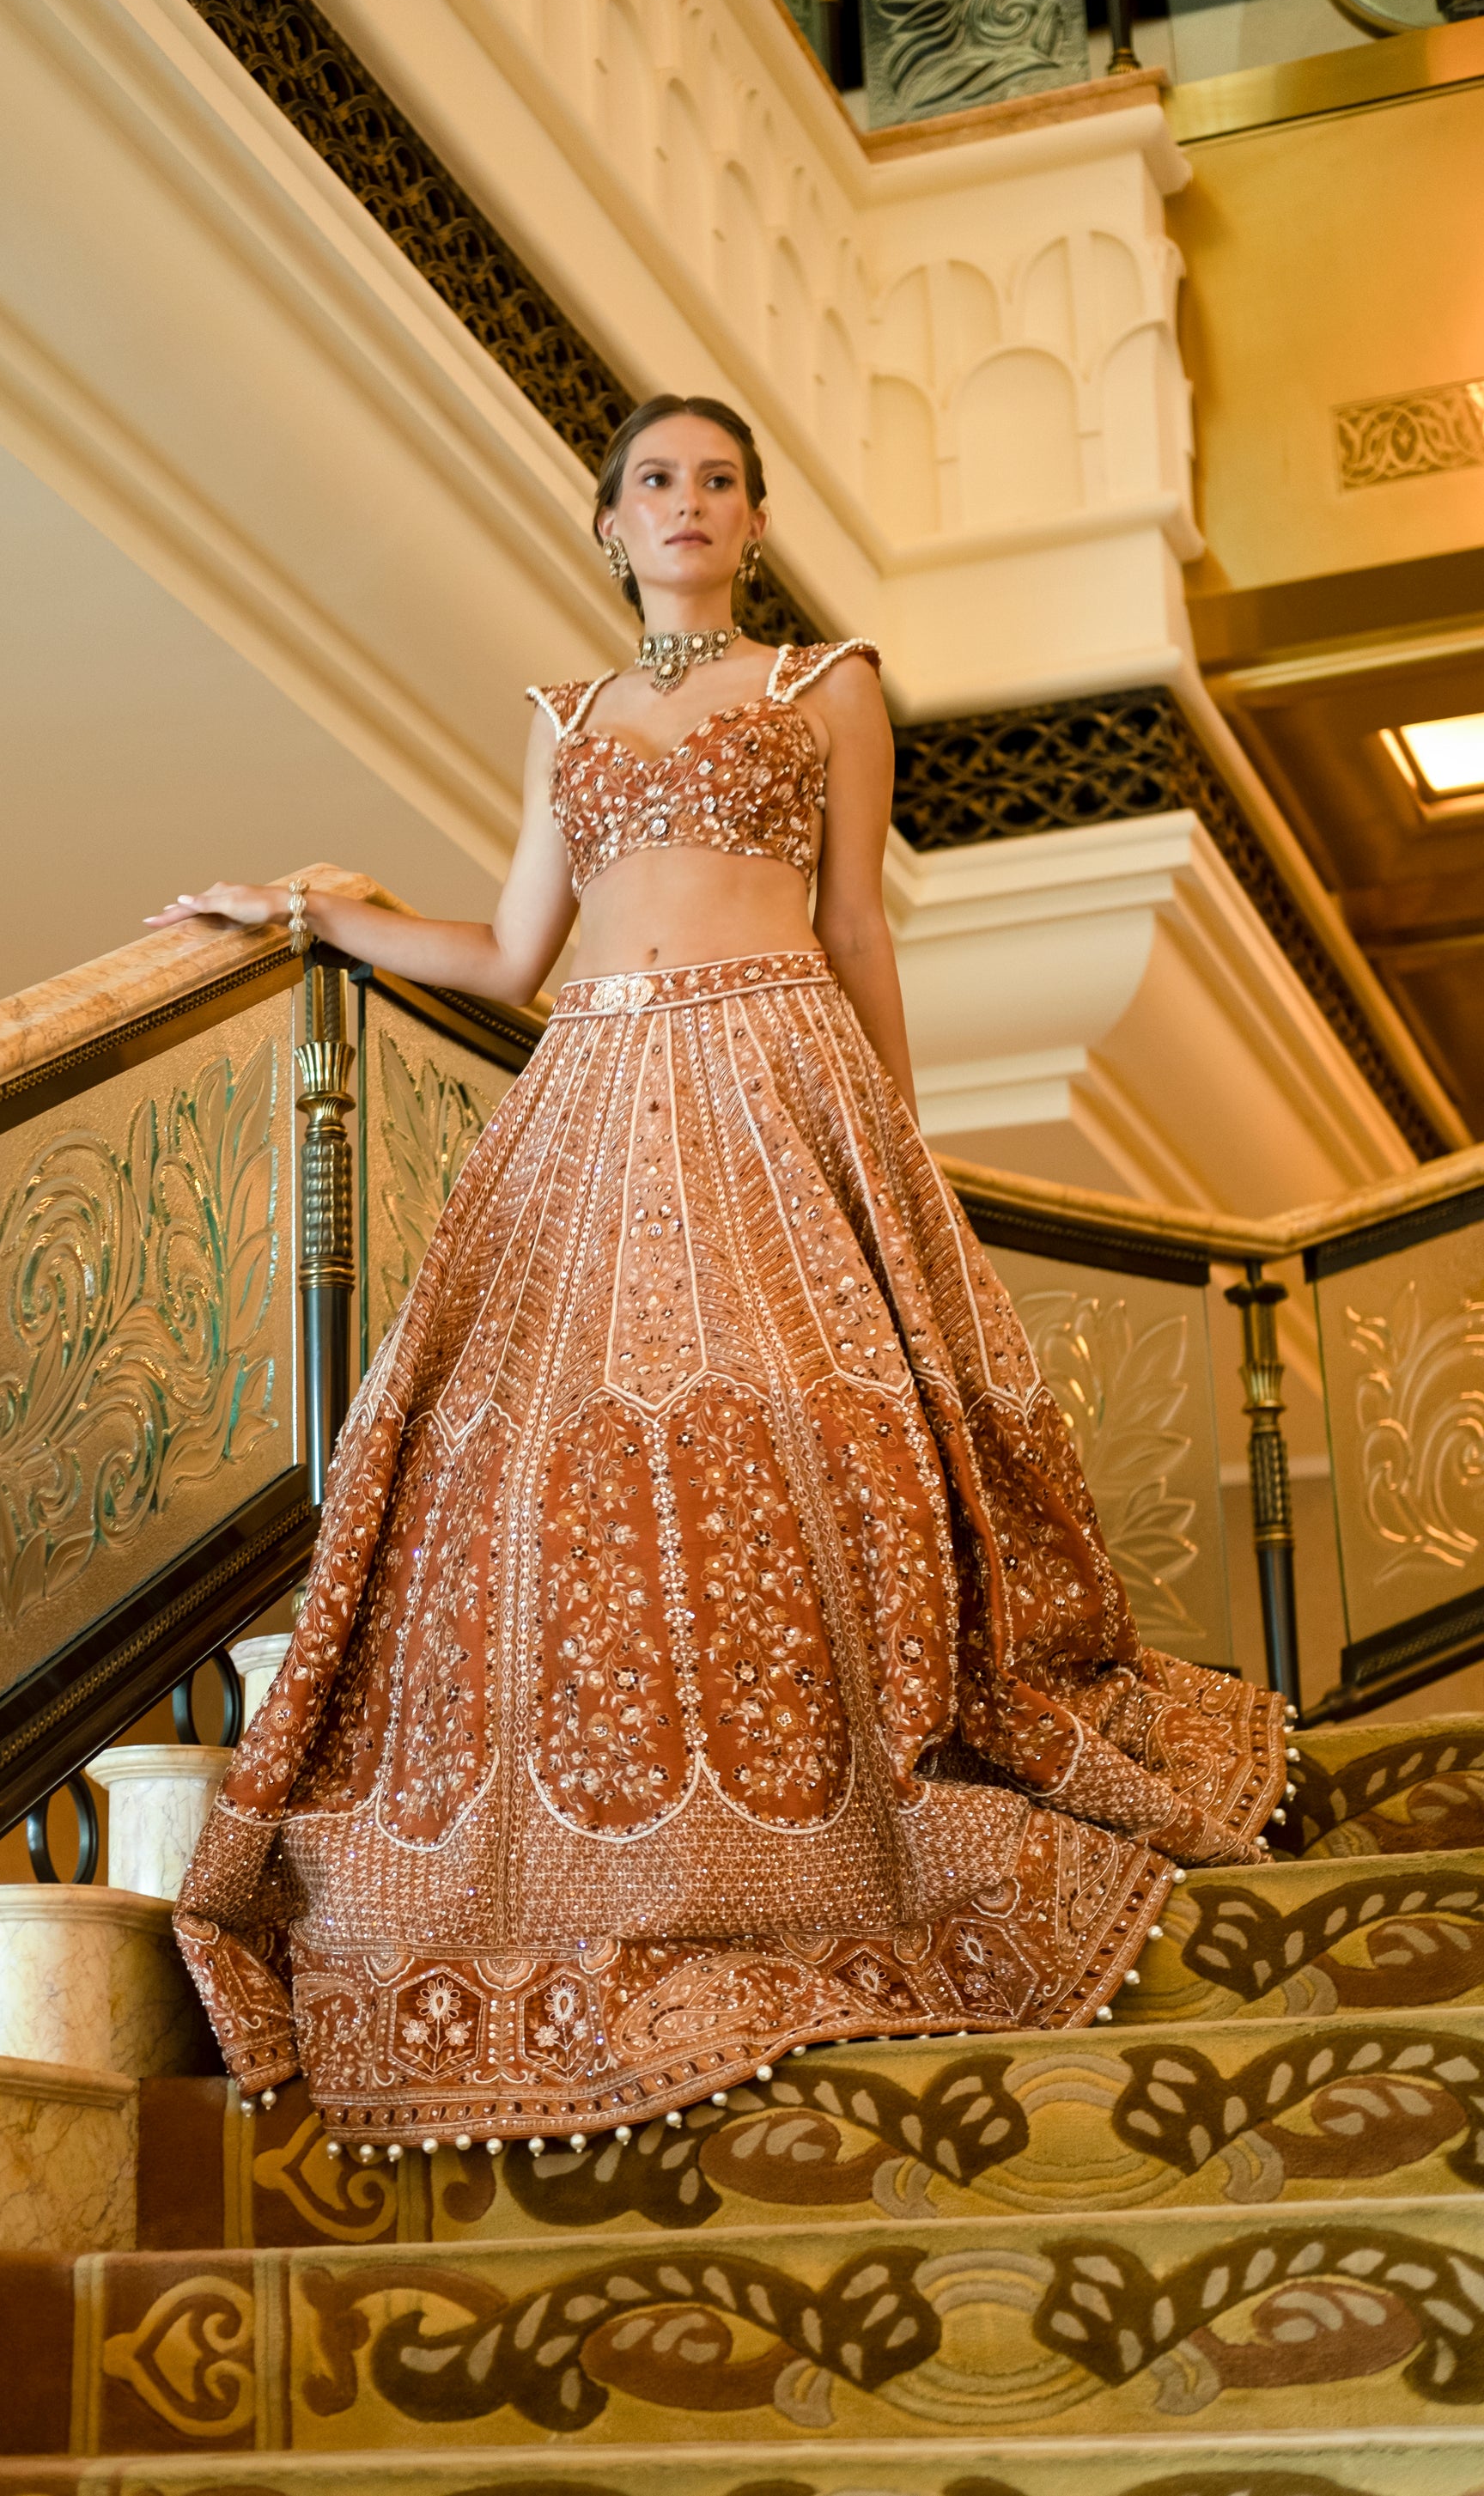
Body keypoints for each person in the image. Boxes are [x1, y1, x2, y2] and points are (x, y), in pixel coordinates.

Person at [149, 393, 1282, 2152]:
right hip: (593, 1092)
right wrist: (320, 909)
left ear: (752, 525)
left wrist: (896, 1161)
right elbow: (518, 951)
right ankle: (593, 1834)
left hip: (774, 1078)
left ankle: (823, 1823)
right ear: (611, 525)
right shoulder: (563, 718)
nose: (688, 504)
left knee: (801, 1450)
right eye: (657, 482)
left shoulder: (825, 685)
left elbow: (850, 931)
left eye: (719, 483)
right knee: (534, 1471)